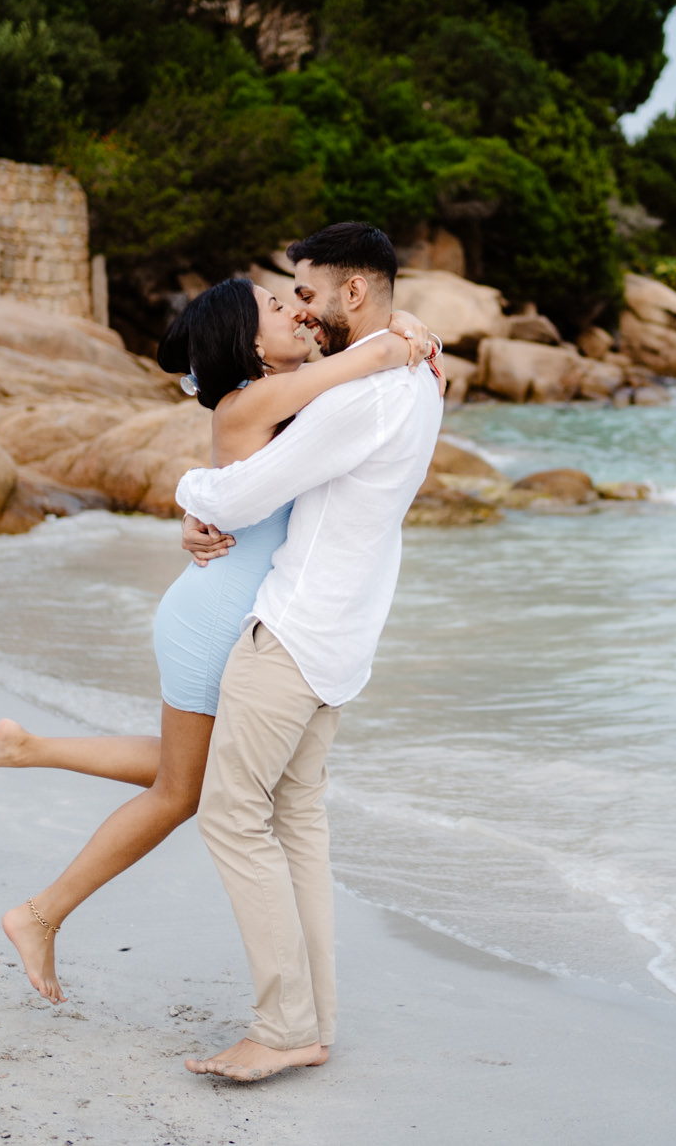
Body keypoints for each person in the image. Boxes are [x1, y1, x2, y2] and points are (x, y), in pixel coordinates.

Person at [0, 274, 440, 1004]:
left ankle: (26, 750)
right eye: (275, 307)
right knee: (183, 793)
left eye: (293, 299)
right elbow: (367, 359)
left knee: (194, 778)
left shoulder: (280, 398)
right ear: (249, 343)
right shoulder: (256, 399)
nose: (295, 311)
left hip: (217, 609)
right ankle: (38, 913)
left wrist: (404, 329)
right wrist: (409, 332)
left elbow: (346, 379)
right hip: (210, 624)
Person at [175, 222, 445, 1083]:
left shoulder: (362, 391)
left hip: (292, 632)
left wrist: (189, 493)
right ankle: (313, 1021)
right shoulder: (420, 378)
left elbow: (247, 492)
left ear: (353, 292)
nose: (303, 307)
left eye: (310, 291)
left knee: (230, 815)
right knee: (297, 825)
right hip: (344, 641)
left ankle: (284, 1024)